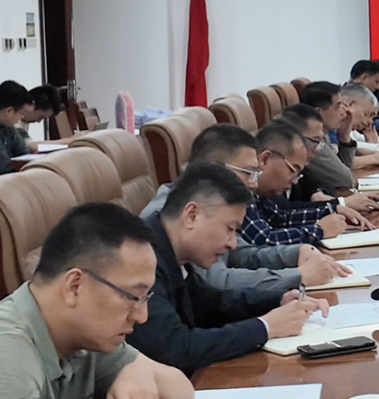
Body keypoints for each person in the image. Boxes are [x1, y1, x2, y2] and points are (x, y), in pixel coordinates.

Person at [0, 202, 193, 399]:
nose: (142, 315)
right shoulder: (0, 364)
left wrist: (138, 372)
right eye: (133, 297)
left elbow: (180, 389)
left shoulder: (80, 337)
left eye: (145, 298)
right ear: (74, 286)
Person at [128, 162, 330, 375]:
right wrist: (265, 327)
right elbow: (175, 348)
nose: (232, 243)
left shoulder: (168, 247)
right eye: (230, 229)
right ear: (191, 215)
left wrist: (277, 300)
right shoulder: (140, 260)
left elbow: (208, 304)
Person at [140, 123, 351, 292]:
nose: (253, 183)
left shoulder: (213, 206)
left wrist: (297, 252)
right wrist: (298, 276)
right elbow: (216, 282)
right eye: (249, 172)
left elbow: (242, 255)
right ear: (215, 168)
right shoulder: (172, 213)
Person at [241, 120, 354, 246]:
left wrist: (332, 210)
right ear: (265, 159)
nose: (295, 181)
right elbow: (265, 239)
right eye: (293, 170)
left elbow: (282, 218)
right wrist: (319, 230)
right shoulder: (238, 189)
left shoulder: (259, 192)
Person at [281, 104, 379, 214]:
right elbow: (284, 212)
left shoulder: (300, 164)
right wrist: (340, 203)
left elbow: (321, 183)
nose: (344, 112)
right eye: (338, 106)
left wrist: (316, 193)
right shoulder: (276, 169)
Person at [297, 81, 360, 194]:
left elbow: (345, 173)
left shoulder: (323, 133)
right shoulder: (309, 140)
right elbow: (345, 179)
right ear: (318, 112)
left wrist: (344, 137)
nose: (344, 112)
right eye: (338, 106)